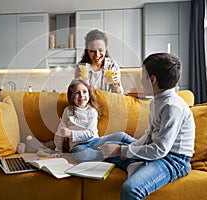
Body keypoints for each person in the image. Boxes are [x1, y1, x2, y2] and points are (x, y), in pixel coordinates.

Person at [99, 53, 195, 200]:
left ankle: (138, 166)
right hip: (157, 153)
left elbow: (160, 150)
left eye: (142, 76)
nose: (140, 80)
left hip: (174, 160)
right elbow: (149, 134)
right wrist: (124, 151)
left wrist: (122, 150)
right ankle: (137, 165)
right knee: (111, 148)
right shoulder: (156, 101)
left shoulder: (172, 107)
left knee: (130, 190)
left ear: (152, 80)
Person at [54, 79, 134, 162]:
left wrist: (71, 133)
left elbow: (91, 133)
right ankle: (115, 152)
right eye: (77, 93)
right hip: (78, 146)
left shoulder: (91, 111)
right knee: (80, 154)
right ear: (71, 96)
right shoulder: (67, 111)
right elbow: (60, 132)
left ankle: (140, 146)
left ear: (89, 94)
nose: (81, 95)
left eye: (84, 92)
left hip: (95, 141)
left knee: (121, 135)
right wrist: (58, 150)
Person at [76, 29, 124, 94]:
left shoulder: (112, 66)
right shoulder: (81, 67)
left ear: (105, 49)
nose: (97, 55)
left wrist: (116, 85)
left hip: (107, 102)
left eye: (101, 50)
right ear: (87, 50)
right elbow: (77, 94)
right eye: (92, 51)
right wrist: (77, 83)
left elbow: (119, 95)